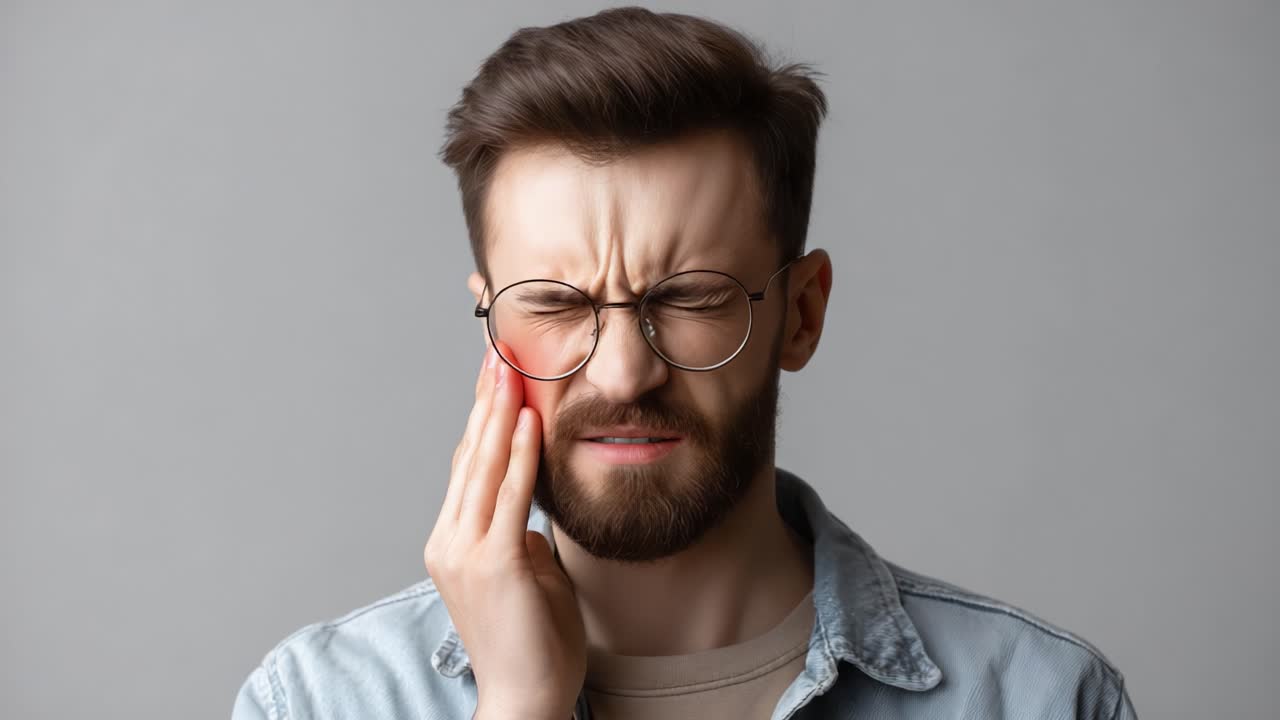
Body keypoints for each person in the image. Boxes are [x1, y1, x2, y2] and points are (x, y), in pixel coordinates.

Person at [232, 7, 1137, 719]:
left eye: (690, 297)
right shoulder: (318, 702)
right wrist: (517, 710)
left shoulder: (1039, 700)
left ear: (802, 312)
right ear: (491, 324)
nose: (623, 374)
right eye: (555, 303)